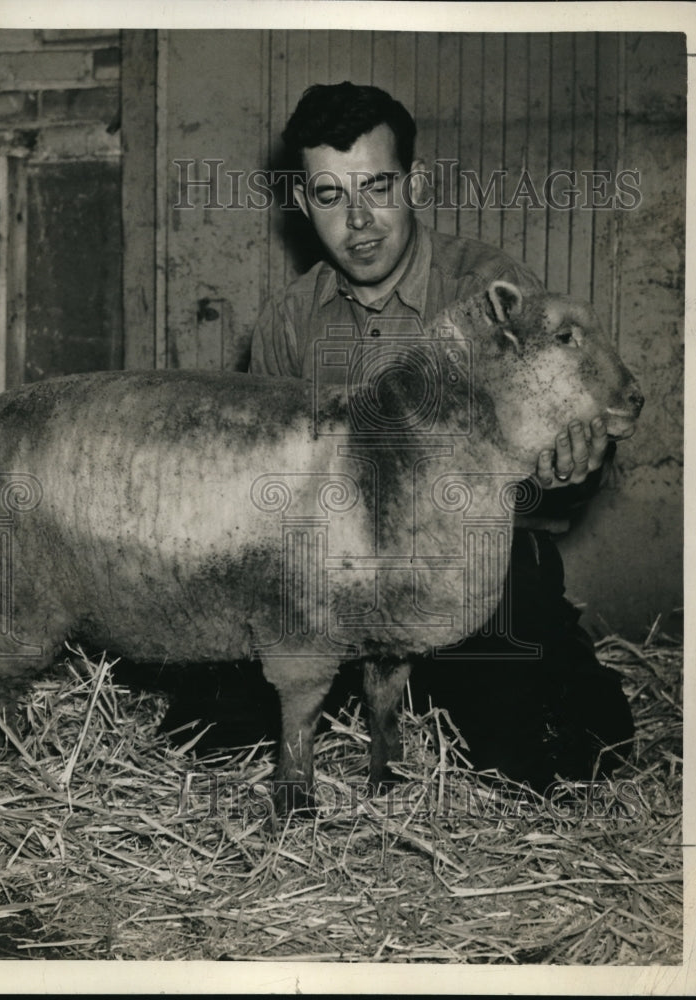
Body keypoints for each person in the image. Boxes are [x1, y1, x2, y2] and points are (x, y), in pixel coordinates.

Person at [248, 82, 633, 787]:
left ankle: (540, 689)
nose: (359, 220)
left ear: (415, 182)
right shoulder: (288, 322)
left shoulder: (494, 295)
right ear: (303, 205)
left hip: (477, 572)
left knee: (540, 758)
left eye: (379, 187)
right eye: (331, 197)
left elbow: (560, 484)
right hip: (337, 584)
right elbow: (270, 493)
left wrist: (574, 470)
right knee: (211, 726)